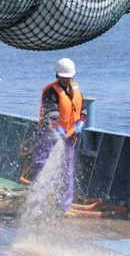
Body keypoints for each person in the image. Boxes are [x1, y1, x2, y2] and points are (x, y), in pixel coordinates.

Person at [29, 57, 87, 211]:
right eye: (63, 77)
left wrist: (81, 122)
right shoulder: (51, 91)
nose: (66, 80)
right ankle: (37, 206)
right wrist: (59, 128)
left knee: (66, 170)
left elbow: (83, 109)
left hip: (68, 137)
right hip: (50, 135)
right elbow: (52, 114)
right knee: (42, 168)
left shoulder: (76, 90)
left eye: (68, 77)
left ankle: (63, 206)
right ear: (57, 76)